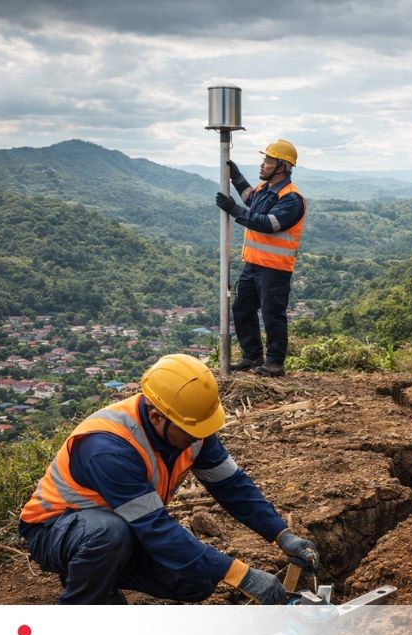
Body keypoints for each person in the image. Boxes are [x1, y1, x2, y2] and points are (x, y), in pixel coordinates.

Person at [19, 353, 320, 605]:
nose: (199, 437)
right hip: (57, 530)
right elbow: (155, 526)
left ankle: (101, 576)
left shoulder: (192, 432)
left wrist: (281, 534)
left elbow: (233, 486)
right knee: (107, 535)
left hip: (126, 525)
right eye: (191, 430)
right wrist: (242, 575)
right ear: (156, 417)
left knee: (197, 580)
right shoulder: (108, 447)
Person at [215, 139, 306, 377]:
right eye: (264, 160)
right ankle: (252, 355)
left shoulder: (291, 199)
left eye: (268, 161)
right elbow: (249, 198)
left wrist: (234, 210)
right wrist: (235, 176)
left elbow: (268, 224)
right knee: (242, 307)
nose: (263, 164)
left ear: (282, 167)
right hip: (253, 264)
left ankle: (275, 362)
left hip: (275, 269)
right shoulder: (265, 190)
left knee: (272, 314)